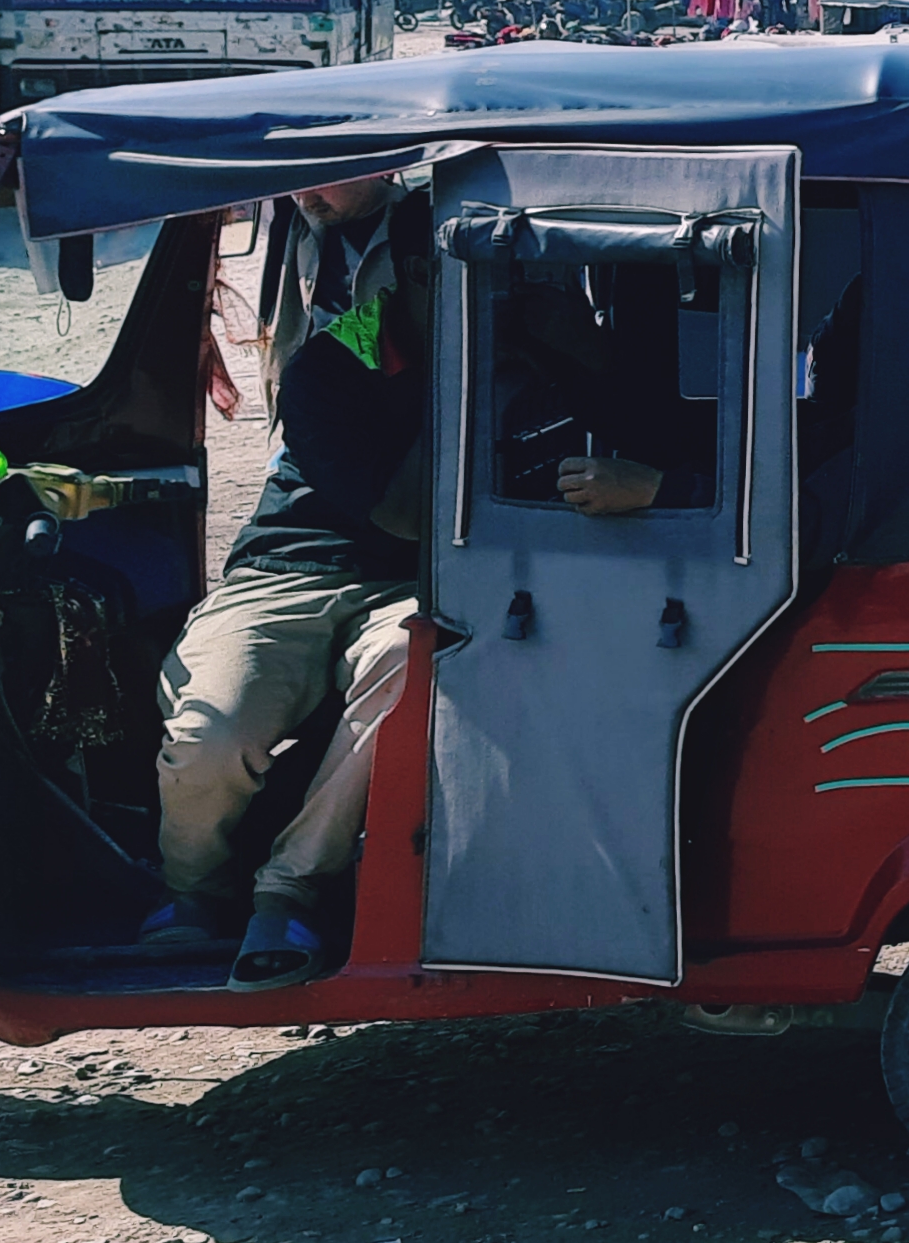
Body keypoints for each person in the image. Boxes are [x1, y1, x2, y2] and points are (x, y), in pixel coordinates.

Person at [142, 171, 677, 989]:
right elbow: (407, 509)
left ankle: (288, 889)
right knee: (212, 739)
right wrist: (461, 374)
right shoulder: (350, 351)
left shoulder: (544, 348)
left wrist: (562, 369)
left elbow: (669, 443)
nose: (472, 286)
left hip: (425, 586)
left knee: (413, 667)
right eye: (442, 268)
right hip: (294, 567)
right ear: (411, 274)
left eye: (493, 269)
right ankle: (193, 892)